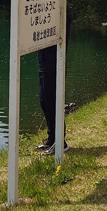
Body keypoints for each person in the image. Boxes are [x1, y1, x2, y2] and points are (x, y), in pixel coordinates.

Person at [35, 10, 71, 155]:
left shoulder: (61, 10)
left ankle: (60, 143)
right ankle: (51, 139)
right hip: (44, 63)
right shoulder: (45, 9)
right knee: (44, 102)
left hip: (55, 64)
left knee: (53, 104)